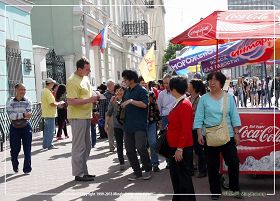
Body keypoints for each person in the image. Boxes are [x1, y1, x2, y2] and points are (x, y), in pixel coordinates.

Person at [194, 72, 242, 200]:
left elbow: (234, 116)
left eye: (215, 80)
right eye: (210, 80)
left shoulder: (229, 97)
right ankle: (215, 191)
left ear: (221, 82)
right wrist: (199, 133)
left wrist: (237, 133)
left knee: (233, 162)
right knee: (212, 165)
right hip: (209, 136)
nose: (212, 82)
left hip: (228, 135)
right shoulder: (203, 98)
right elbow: (199, 117)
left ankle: (234, 189)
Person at [66, 57, 99, 182]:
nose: (89, 71)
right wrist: (89, 100)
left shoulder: (84, 78)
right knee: (79, 146)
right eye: (87, 69)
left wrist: (95, 96)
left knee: (87, 146)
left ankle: (84, 172)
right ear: (79, 69)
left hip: (86, 115)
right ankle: (78, 173)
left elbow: (88, 93)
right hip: (77, 117)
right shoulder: (72, 80)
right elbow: (70, 101)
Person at [167, 76, 196, 201]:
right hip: (175, 145)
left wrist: (179, 149)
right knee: (177, 177)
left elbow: (185, 129)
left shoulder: (184, 103)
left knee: (183, 178)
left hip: (180, 147)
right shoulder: (180, 101)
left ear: (174, 89)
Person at [121, 70, 152, 181]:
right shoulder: (126, 91)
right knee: (129, 150)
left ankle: (148, 169)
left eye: (125, 78)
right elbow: (125, 104)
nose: (123, 81)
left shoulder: (142, 90)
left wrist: (131, 101)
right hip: (127, 125)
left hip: (139, 125)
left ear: (131, 79)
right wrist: (119, 102)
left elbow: (144, 104)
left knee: (141, 148)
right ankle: (137, 172)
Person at [7, 83, 32, 174]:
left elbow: (29, 115)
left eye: (24, 90)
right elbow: (11, 116)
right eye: (21, 89)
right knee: (15, 149)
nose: (23, 92)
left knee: (27, 148)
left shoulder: (28, 101)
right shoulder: (10, 103)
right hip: (14, 128)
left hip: (26, 126)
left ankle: (27, 168)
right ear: (16, 90)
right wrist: (23, 115)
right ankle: (15, 164)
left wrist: (21, 115)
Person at [188, 79, 207, 178]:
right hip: (188, 128)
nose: (188, 86)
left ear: (194, 88)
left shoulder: (201, 99)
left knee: (199, 150)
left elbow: (201, 115)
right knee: (189, 150)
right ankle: (190, 170)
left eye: (190, 85)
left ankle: (203, 170)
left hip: (197, 129)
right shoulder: (187, 99)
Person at [157, 74, 176, 169]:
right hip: (165, 118)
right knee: (167, 140)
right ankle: (169, 162)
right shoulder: (161, 94)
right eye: (164, 83)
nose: (165, 85)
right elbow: (159, 106)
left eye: (167, 83)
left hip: (176, 117)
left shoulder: (177, 92)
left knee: (176, 139)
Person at [105, 84, 126, 170]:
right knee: (119, 144)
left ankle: (132, 161)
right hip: (117, 126)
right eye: (117, 90)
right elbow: (109, 113)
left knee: (128, 145)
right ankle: (121, 162)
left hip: (127, 126)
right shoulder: (113, 100)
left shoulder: (127, 100)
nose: (119, 92)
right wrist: (106, 124)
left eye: (121, 90)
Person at [41, 78, 64, 150]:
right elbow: (52, 103)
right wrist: (59, 103)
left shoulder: (44, 91)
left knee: (47, 130)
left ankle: (45, 145)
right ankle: (49, 145)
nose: (53, 85)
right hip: (50, 113)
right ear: (50, 83)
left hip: (47, 113)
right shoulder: (47, 91)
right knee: (51, 130)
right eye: (53, 83)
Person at [98, 80, 115, 145]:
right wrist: (101, 117)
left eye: (113, 84)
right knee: (110, 131)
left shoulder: (116, 93)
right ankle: (111, 146)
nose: (112, 86)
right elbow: (101, 107)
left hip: (116, 113)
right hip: (108, 115)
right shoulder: (104, 95)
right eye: (111, 85)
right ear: (108, 86)